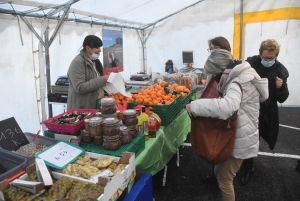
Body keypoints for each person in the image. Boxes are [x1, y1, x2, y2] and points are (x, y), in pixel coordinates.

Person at [186, 49, 269, 201]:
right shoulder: (240, 76)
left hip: (241, 140)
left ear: (221, 70)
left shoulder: (236, 82)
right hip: (239, 136)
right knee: (219, 172)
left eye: (214, 74)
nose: (215, 79)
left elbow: (227, 107)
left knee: (225, 179)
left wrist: (196, 106)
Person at [241, 39, 289, 185]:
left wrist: (280, 88)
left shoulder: (280, 70)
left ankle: (248, 165)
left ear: (276, 56)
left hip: (268, 111)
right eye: (265, 57)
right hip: (250, 107)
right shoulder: (251, 63)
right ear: (260, 53)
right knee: (248, 138)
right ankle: (248, 167)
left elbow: (283, 98)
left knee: (261, 135)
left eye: (271, 58)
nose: (268, 60)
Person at [204, 36, 232, 183]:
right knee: (213, 140)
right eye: (211, 49)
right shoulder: (213, 66)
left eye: (216, 49)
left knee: (221, 142)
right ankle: (214, 174)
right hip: (212, 106)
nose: (213, 52)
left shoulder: (231, 72)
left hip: (222, 109)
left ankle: (221, 177)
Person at [67, 35, 109, 110]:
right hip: (82, 109)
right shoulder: (78, 63)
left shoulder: (95, 62)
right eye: (97, 47)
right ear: (87, 48)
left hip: (94, 105)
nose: (100, 50)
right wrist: (102, 80)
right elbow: (79, 87)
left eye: (100, 47)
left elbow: (96, 80)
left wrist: (110, 80)